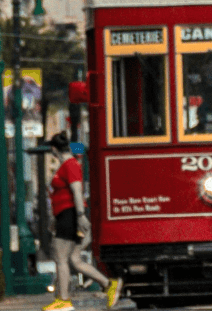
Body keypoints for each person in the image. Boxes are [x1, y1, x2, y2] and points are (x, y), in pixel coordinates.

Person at [43, 132, 122, 311]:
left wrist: (79, 215)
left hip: (70, 215)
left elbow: (77, 190)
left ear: (54, 149)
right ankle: (108, 284)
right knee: (74, 259)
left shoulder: (70, 164)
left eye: (51, 148)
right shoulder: (67, 164)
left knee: (60, 257)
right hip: (66, 215)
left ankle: (64, 301)